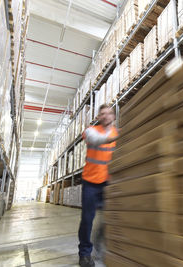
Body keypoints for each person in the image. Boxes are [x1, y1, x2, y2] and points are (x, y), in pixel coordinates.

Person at [78, 104, 118, 267]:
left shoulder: (118, 133)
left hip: (110, 183)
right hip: (91, 183)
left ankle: (100, 243)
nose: (106, 116)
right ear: (98, 117)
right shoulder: (90, 131)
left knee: (109, 218)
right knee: (87, 219)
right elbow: (95, 141)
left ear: (114, 116)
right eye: (103, 114)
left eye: (109, 113)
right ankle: (85, 253)